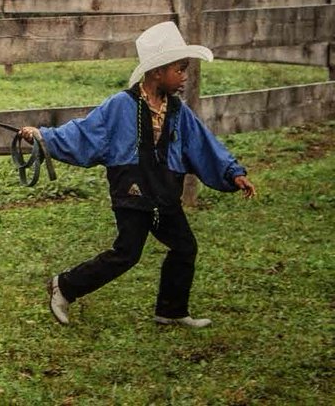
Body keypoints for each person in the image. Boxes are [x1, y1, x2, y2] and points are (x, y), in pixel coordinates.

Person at [19, 21, 255, 328]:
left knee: (185, 247)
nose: (184, 77)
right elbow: (85, 132)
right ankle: (64, 286)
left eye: (185, 69)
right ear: (157, 71)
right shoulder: (120, 106)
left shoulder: (178, 111)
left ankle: (170, 310)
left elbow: (203, 144)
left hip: (165, 193)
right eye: (179, 69)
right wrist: (43, 137)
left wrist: (233, 172)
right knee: (127, 253)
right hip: (131, 190)